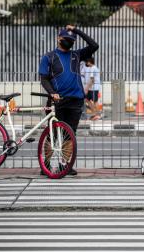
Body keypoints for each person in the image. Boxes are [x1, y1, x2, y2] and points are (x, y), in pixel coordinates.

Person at [39, 25, 99, 176]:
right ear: (59, 38)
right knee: (53, 134)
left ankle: (64, 165)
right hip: (57, 100)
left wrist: (76, 31)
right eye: (67, 39)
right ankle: (45, 164)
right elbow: (44, 79)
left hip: (76, 100)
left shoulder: (77, 55)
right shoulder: (48, 57)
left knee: (70, 134)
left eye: (72, 40)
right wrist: (52, 93)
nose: (69, 42)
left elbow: (94, 45)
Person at [81, 56, 101, 121]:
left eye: (87, 62)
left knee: (94, 101)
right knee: (87, 99)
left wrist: (87, 88)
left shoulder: (92, 68)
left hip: (93, 88)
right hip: (93, 87)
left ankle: (97, 114)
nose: (86, 63)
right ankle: (95, 113)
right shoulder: (95, 68)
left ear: (89, 62)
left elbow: (92, 79)